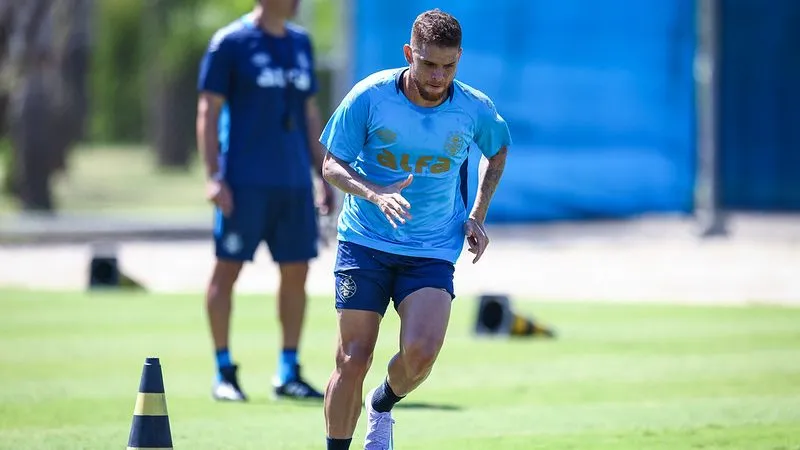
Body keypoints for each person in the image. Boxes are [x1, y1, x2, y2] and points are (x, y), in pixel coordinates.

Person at [318, 9, 511, 449]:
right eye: (428, 64)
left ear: (460, 58)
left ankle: (382, 405)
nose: (439, 76)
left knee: (421, 355)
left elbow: (496, 153)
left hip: (431, 248)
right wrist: (374, 193)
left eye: (449, 65)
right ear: (410, 54)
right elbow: (331, 163)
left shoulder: (473, 108)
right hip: (365, 241)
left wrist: (477, 215)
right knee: (353, 358)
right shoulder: (370, 97)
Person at [195, 0, 333, 402]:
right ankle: (224, 371)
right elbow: (208, 109)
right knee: (227, 271)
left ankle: (287, 371)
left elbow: (309, 112)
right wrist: (213, 176)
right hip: (243, 183)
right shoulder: (231, 43)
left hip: (292, 183)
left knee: (296, 273)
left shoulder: (300, 43)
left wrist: (320, 172)